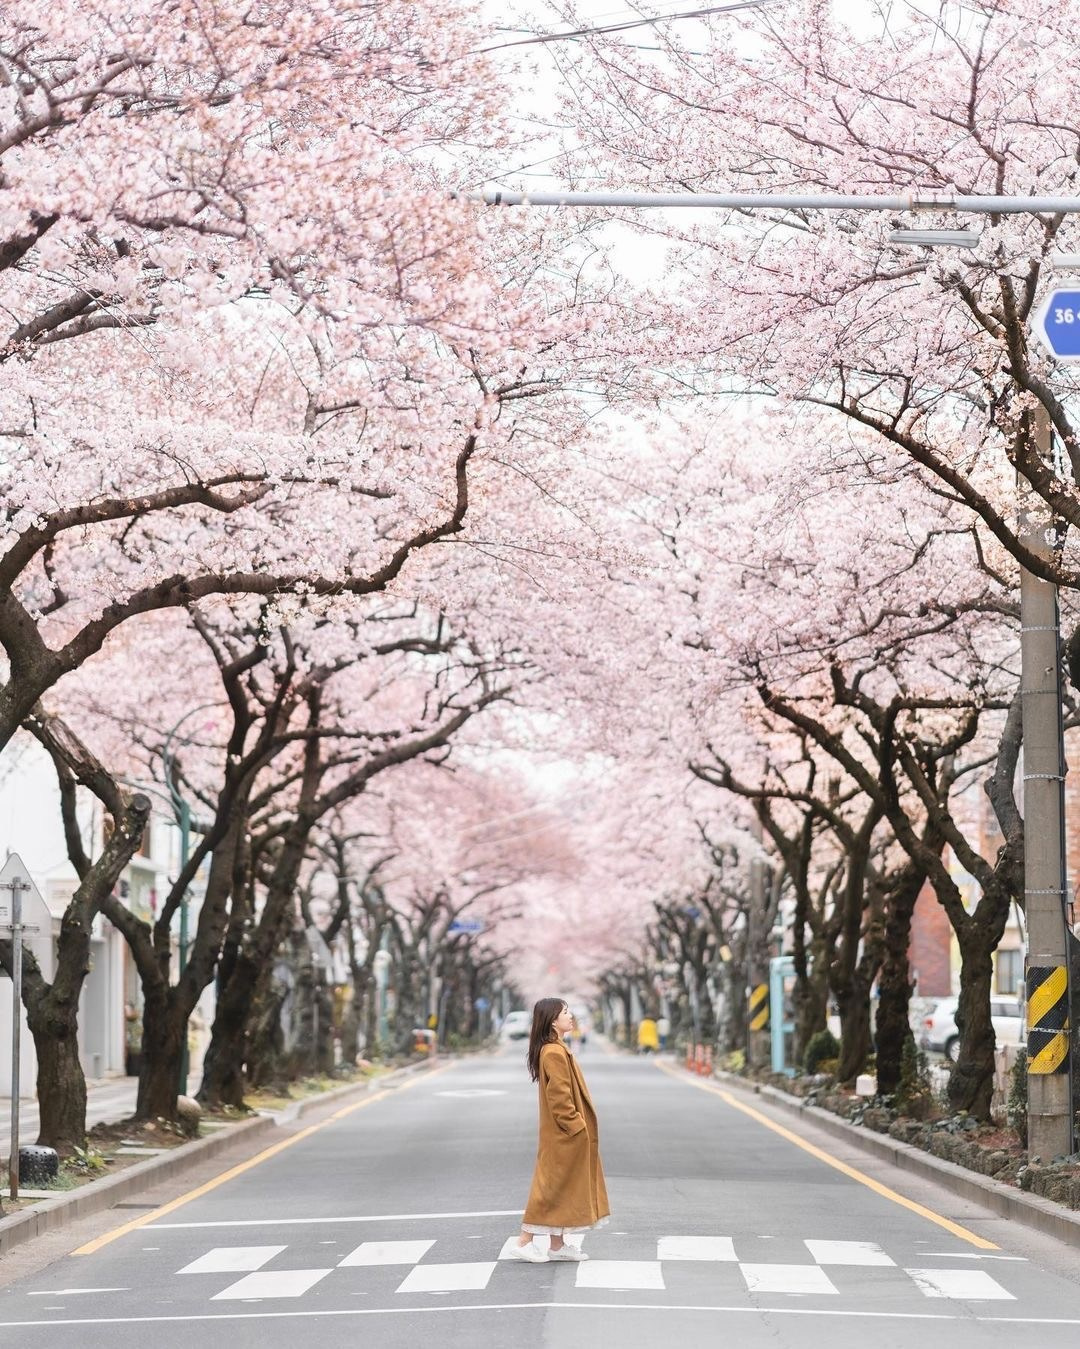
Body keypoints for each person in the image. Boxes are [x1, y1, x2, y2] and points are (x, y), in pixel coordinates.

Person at [510, 998, 610, 1263]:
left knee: (560, 1188)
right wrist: (577, 1126)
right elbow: (559, 1098)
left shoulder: (555, 1048)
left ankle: (557, 1245)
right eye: (566, 1012)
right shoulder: (553, 1052)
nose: (571, 1016)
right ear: (553, 1020)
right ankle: (524, 1241)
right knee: (549, 1188)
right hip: (564, 1135)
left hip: (563, 1135)